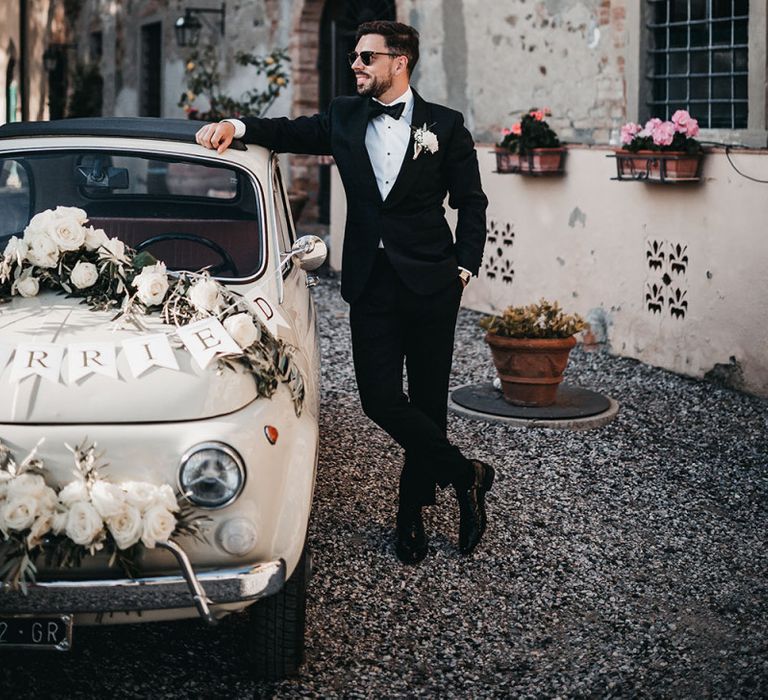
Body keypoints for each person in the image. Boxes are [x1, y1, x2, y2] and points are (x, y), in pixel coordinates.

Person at [196, 20, 493, 565]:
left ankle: (411, 514)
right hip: (370, 282)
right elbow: (286, 132)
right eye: (355, 56)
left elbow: (471, 203)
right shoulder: (344, 115)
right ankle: (466, 473)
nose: (354, 64)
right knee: (379, 400)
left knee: (428, 401)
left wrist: (463, 270)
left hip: (432, 283)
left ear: (399, 62)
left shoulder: (445, 127)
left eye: (366, 57)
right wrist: (234, 125)